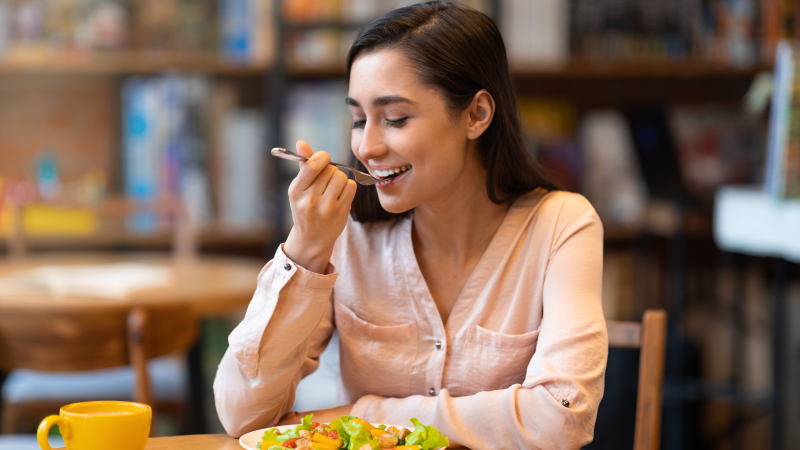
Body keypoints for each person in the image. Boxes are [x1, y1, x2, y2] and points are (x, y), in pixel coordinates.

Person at [214, 2, 607, 448]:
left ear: (476, 114)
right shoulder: (343, 236)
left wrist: (366, 415)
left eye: (396, 118)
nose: (367, 147)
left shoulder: (561, 226)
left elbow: (561, 418)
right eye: (359, 120)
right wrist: (303, 251)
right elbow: (242, 415)